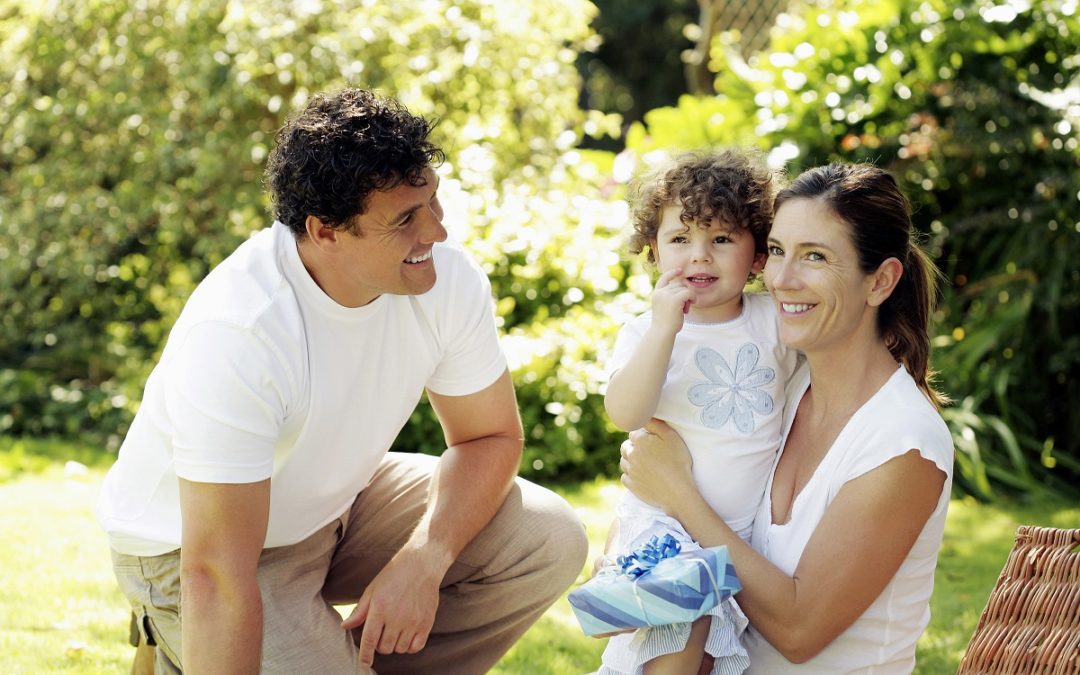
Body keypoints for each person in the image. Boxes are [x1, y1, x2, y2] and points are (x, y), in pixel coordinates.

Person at [96, 88, 588, 675]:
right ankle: (166, 632)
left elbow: (490, 439)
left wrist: (425, 558)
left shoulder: (443, 281)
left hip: (333, 510)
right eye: (405, 218)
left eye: (431, 201)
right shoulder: (243, 330)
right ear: (325, 231)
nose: (436, 233)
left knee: (544, 536)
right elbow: (215, 575)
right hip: (193, 552)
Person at [618, 162, 954, 673]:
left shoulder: (902, 445)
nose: (781, 278)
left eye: (814, 256)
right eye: (776, 251)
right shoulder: (786, 386)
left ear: (881, 280)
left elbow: (799, 632)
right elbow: (665, 446)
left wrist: (677, 495)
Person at [597, 150, 798, 675]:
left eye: (722, 239)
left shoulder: (773, 321)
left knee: (711, 654)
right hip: (662, 521)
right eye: (680, 239)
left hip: (736, 534)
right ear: (654, 251)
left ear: (758, 256)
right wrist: (666, 328)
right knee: (684, 620)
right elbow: (624, 412)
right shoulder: (646, 331)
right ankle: (618, 586)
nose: (699, 257)